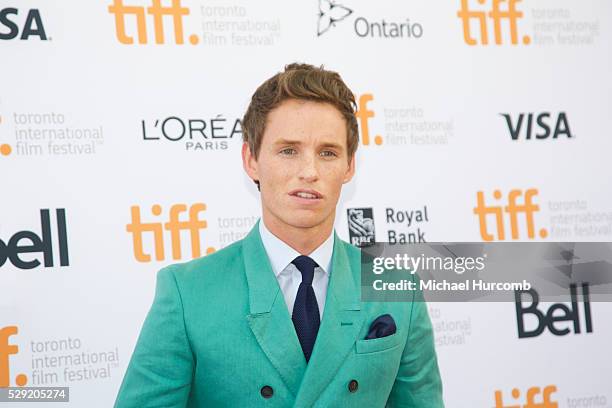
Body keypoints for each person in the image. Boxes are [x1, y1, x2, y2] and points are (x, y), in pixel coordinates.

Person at [114, 63, 444, 407]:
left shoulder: (396, 290)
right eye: (288, 150)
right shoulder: (187, 293)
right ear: (251, 159)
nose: (309, 172)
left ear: (349, 167)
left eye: (327, 153)